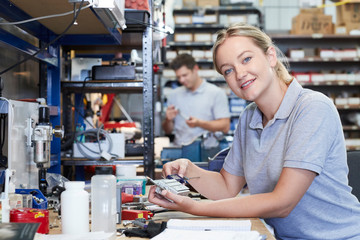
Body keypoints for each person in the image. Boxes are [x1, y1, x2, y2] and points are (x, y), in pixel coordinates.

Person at [149, 23, 360, 240]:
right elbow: (227, 187)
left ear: (270, 56)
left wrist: (193, 207)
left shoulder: (312, 108)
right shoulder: (249, 117)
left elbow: (282, 203)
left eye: (246, 59)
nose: (239, 73)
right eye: (228, 70)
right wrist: (189, 171)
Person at [162, 53, 230, 147]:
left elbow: (225, 126)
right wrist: (168, 120)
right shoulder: (174, 95)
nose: (181, 80)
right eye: (178, 77)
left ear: (195, 69)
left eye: (185, 75)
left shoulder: (215, 93)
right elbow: (167, 130)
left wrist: (199, 123)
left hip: (206, 151)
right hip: (180, 150)